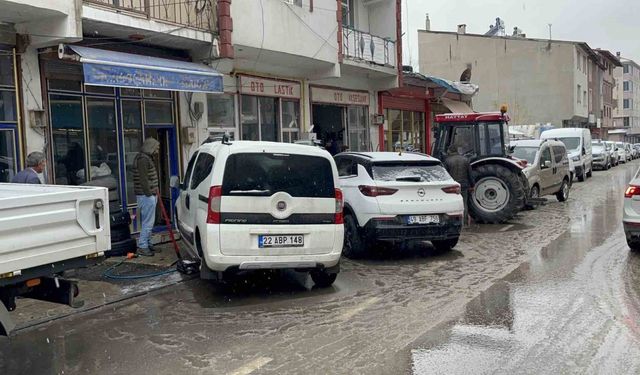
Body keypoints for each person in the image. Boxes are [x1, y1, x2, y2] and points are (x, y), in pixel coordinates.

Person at [133, 138, 160, 257]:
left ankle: (148, 243)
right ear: (151, 147)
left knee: (149, 221)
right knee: (148, 222)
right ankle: (143, 246)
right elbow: (144, 179)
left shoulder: (146, 158)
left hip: (149, 194)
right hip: (146, 195)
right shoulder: (143, 160)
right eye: (156, 148)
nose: (158, 150)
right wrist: (149, 193)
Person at [444, 144, 474, 226]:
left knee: (452, 204)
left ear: (450, 151)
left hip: (452, 186)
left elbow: (445, 175)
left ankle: (454, 222)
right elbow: (470, 174)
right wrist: (472, 185)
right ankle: (464, 222)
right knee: (464, 204)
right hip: (464, 185)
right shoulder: (465, 160)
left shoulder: (447, 161)